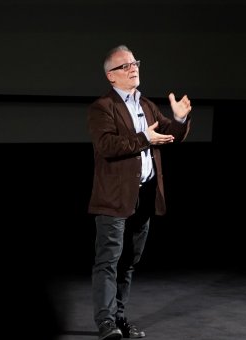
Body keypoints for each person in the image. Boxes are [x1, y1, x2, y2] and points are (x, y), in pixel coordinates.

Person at [87, 45, 192, 340]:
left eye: (135, 63)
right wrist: (145, 137)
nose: (133, 68)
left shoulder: (144, 105)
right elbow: (107, 146)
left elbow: (170, 134)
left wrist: (180, 120)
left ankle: (120, 320)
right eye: (125, 66)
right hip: (113, 198)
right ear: (111, 76)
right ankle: (106, 323)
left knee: (129, 263)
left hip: (144, 195)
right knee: (108, 261)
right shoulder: (102, 108)